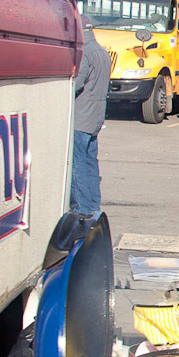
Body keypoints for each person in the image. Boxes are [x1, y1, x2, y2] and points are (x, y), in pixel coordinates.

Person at [71, 22, 110, 217]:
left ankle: (83, 208)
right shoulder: (103, 53)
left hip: (81, 116)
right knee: (91, 163)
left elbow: (77, 84)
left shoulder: (85, 53)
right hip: (95, 117)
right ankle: (94, 204)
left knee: (77, 163)